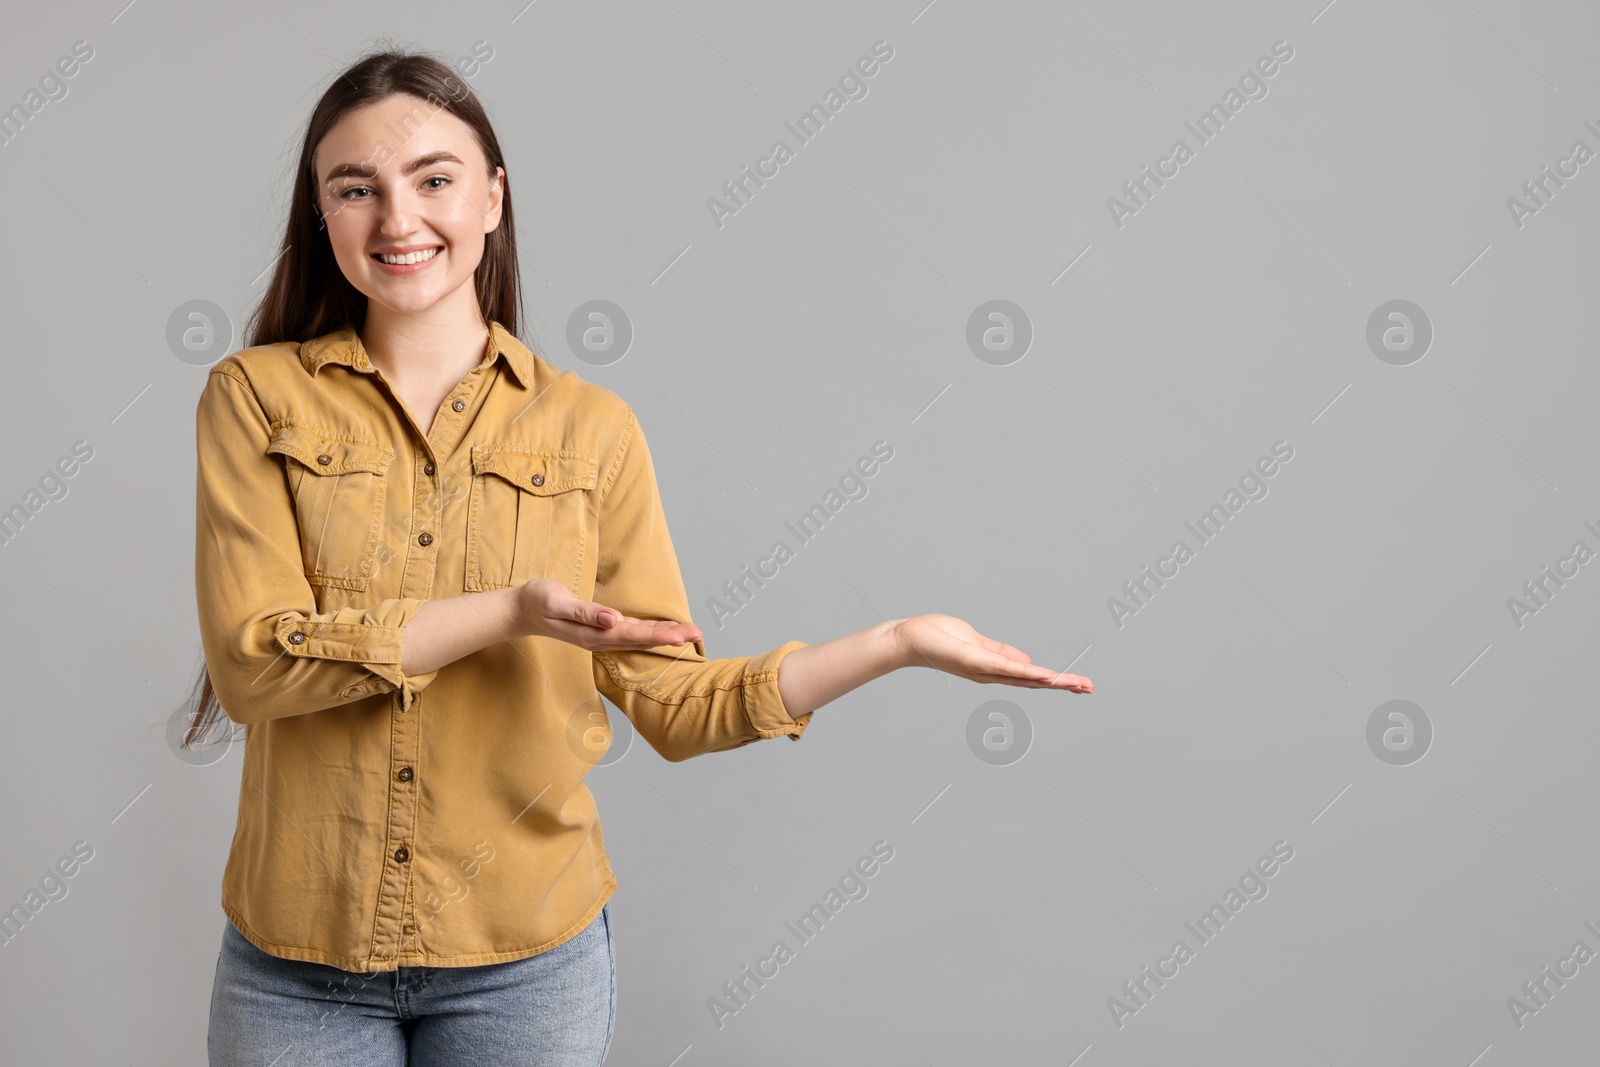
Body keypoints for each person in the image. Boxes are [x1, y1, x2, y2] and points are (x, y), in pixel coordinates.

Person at [183, 45, 1092, 1067]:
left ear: (492, 197)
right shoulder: (253, 397)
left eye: (433, 179)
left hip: (529, 962)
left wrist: (894, 641)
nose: (397, 219)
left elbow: (672, 701)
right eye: (357, 189)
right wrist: (511, 611)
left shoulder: (592, 430)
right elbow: (256, 665)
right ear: (323, 215)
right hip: (297, 964)